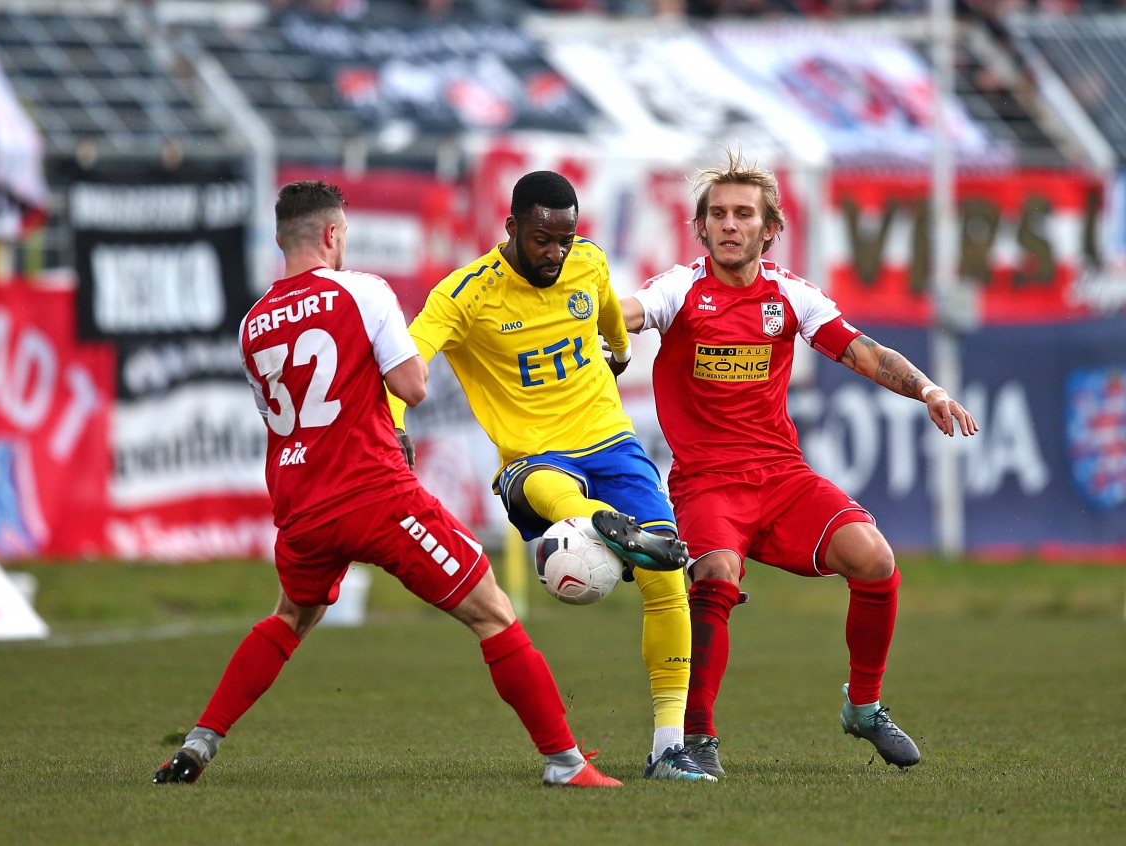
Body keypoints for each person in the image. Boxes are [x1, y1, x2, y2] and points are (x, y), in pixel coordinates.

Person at [153, 180, 620, 789]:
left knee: (290, 616)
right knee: (494, 613)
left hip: (300, 505)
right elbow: (412, 386)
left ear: (279, 238)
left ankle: (198, 744)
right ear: (332, 234)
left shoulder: (253, 324)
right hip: (375, 496)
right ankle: (566, 763)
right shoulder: (364, 291)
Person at [619, 149, 979, 775]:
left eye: (744, 214)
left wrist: (929, 390)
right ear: (700, 227)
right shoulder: (680, 288)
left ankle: (863, 708)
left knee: (875, 559)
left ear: (770, 229)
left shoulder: (790, 295)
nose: (730, 225)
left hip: (782, 478)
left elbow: (864, 353)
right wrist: (590, 317)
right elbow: (629, 311)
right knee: (714, 576)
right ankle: (697, 742)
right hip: (707, 485)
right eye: (718, 215)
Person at [391, 170, 714, 781]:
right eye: (542, 239)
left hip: (611, 442)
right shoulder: (464, 295)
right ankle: (607, 527)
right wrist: (396, 425)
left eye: (565, 239)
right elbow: (407, 359)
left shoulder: (586, 264)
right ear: (511, 227)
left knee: (669, 580)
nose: (555, 253)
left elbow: (611, 316)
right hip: (534, 459)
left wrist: (618, 352)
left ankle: (668, 747)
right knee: (555, 494)